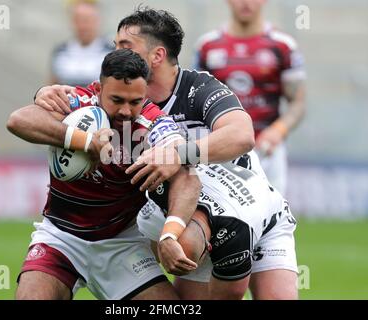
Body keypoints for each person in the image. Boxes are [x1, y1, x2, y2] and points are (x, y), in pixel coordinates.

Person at [33, 7, 261, 299]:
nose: (113, 51)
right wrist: (49, 101)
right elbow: (21, 120)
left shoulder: (191, 94)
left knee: (190, 249)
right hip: (70, 232)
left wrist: (178, 155)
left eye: (124, 46)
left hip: (235, 202)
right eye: (115, 45)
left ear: (157, 56)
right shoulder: (98, 95)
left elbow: (241, 136)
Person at [6, 49, 201, 300]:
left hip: (121, 245)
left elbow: (187, 177)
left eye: (135, 102)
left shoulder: (153, 123)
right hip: (61, 237)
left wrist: (170, 234)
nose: (125, 111)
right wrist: (87, 142)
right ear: (98, 89)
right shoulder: (78, 102)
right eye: (117, 100)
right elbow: (18, 120)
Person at [195, 0, 306, 195]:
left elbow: (297, 103)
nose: (246, 3)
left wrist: (278, 131)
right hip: (223, 148)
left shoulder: (283, 45)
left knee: (273, 220)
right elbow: (195, 100)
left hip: (268, 147)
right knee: (223, 219)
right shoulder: (207, 46)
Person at [142, 162, 299, 300]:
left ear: (206, 253)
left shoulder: (236, 233)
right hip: (223, 199)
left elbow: (228, 295)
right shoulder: (162, 188)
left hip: (268, 222)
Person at [50, 0, 113, 87]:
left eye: (87, 20)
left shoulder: (111, 51)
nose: (82, 26)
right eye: (78, 20)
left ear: (97, 21)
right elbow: (52, 86)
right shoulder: (60, 51)